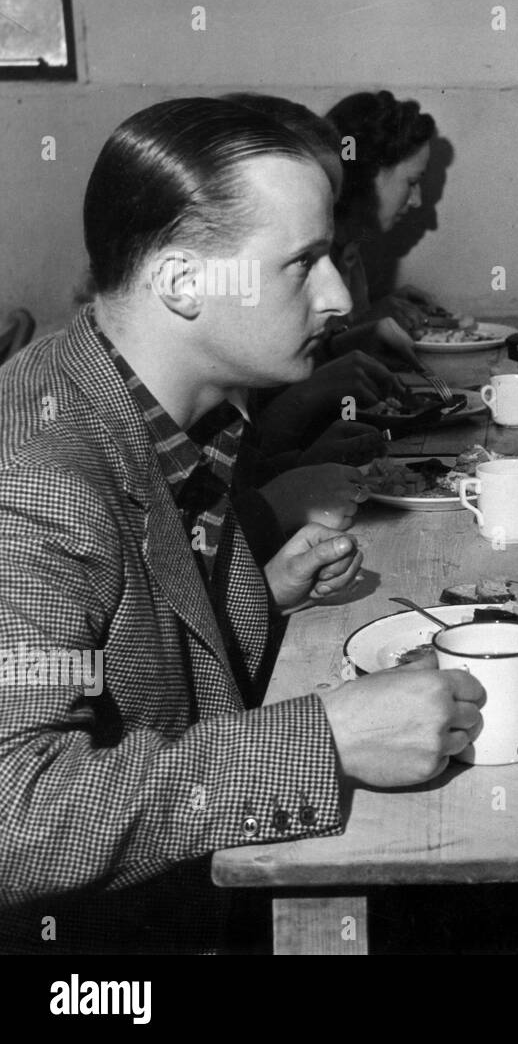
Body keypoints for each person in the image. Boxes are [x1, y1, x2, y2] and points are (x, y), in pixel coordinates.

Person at [0, 99, 485, 953]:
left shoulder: (168, 409)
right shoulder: (36, 478)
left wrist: (252, 598)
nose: (337, 295)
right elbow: (19, 815)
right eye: (302, 264)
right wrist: (327, 737)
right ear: (185, 282)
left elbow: (127, 661)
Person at [326, 90, 451, 335]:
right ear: (369, 174)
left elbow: (337, 335)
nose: (417, 201)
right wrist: (369, 322)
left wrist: (383, 309)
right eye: (412, 182)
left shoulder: (351, 243)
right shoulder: (316, 251)